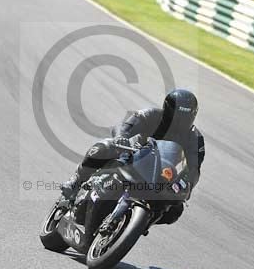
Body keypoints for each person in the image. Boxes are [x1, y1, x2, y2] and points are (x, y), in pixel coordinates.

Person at [60, 88, 205, 225]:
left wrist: (186, 185)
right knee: (105, 146)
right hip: (132, 156)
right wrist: (121, 137)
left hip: (161, 174)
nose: (179, 122)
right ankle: (77, 181)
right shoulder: (151, 114)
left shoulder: (195, 138)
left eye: (185, 117)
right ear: (167, 110)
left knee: (175, 209)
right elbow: (126, 125)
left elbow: (194, 168)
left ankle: (138, 223)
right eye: (177, 116)